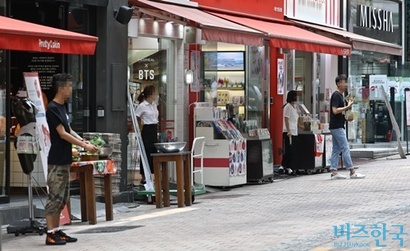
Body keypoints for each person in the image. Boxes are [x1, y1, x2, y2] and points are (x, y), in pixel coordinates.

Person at [45, 73, 98, 245]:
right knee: (55, 196)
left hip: (65, 159)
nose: (71, 89)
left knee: (62, 196)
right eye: (68, 86)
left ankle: (57, 231)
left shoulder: (62, 107)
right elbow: (62, 134)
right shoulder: (52, 108)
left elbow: (69, 129)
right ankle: (50, 233)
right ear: (61, 88)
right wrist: (85, 147)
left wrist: (83, 140)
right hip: (56, 159)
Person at [329, 74, 365, 180]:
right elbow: (335, 111)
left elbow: (338, 113)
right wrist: (347, 107)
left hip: (337, 125)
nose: (345, 84)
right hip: (337, 127)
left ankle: (334, 172)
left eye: (346, 82)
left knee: (336, 149)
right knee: (345, 148)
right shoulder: (336, 95)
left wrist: (346, 118)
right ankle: (352, 171)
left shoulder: (341, 95)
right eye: (344, 82)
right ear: (338, 83)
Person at [135, 85, 159, 184]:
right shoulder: (142, 106)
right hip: (147, 130)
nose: (156, 95)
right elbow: (136, 117)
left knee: (153, 151)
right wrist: (138, 128)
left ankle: (152, 174)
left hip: (154, 129)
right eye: (155, 93)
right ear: (151, 94)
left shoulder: (154, 105)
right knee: (145, 152)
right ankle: (144, 175)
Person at [280, 90, 299, 175]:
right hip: (289, 131)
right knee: (289, 149)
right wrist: (288, 130)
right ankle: (286, 166)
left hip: (294, 130)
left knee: (292, 149)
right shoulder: (287, 107)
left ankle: (285, 166)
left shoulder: (294, 107)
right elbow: (286, 119)